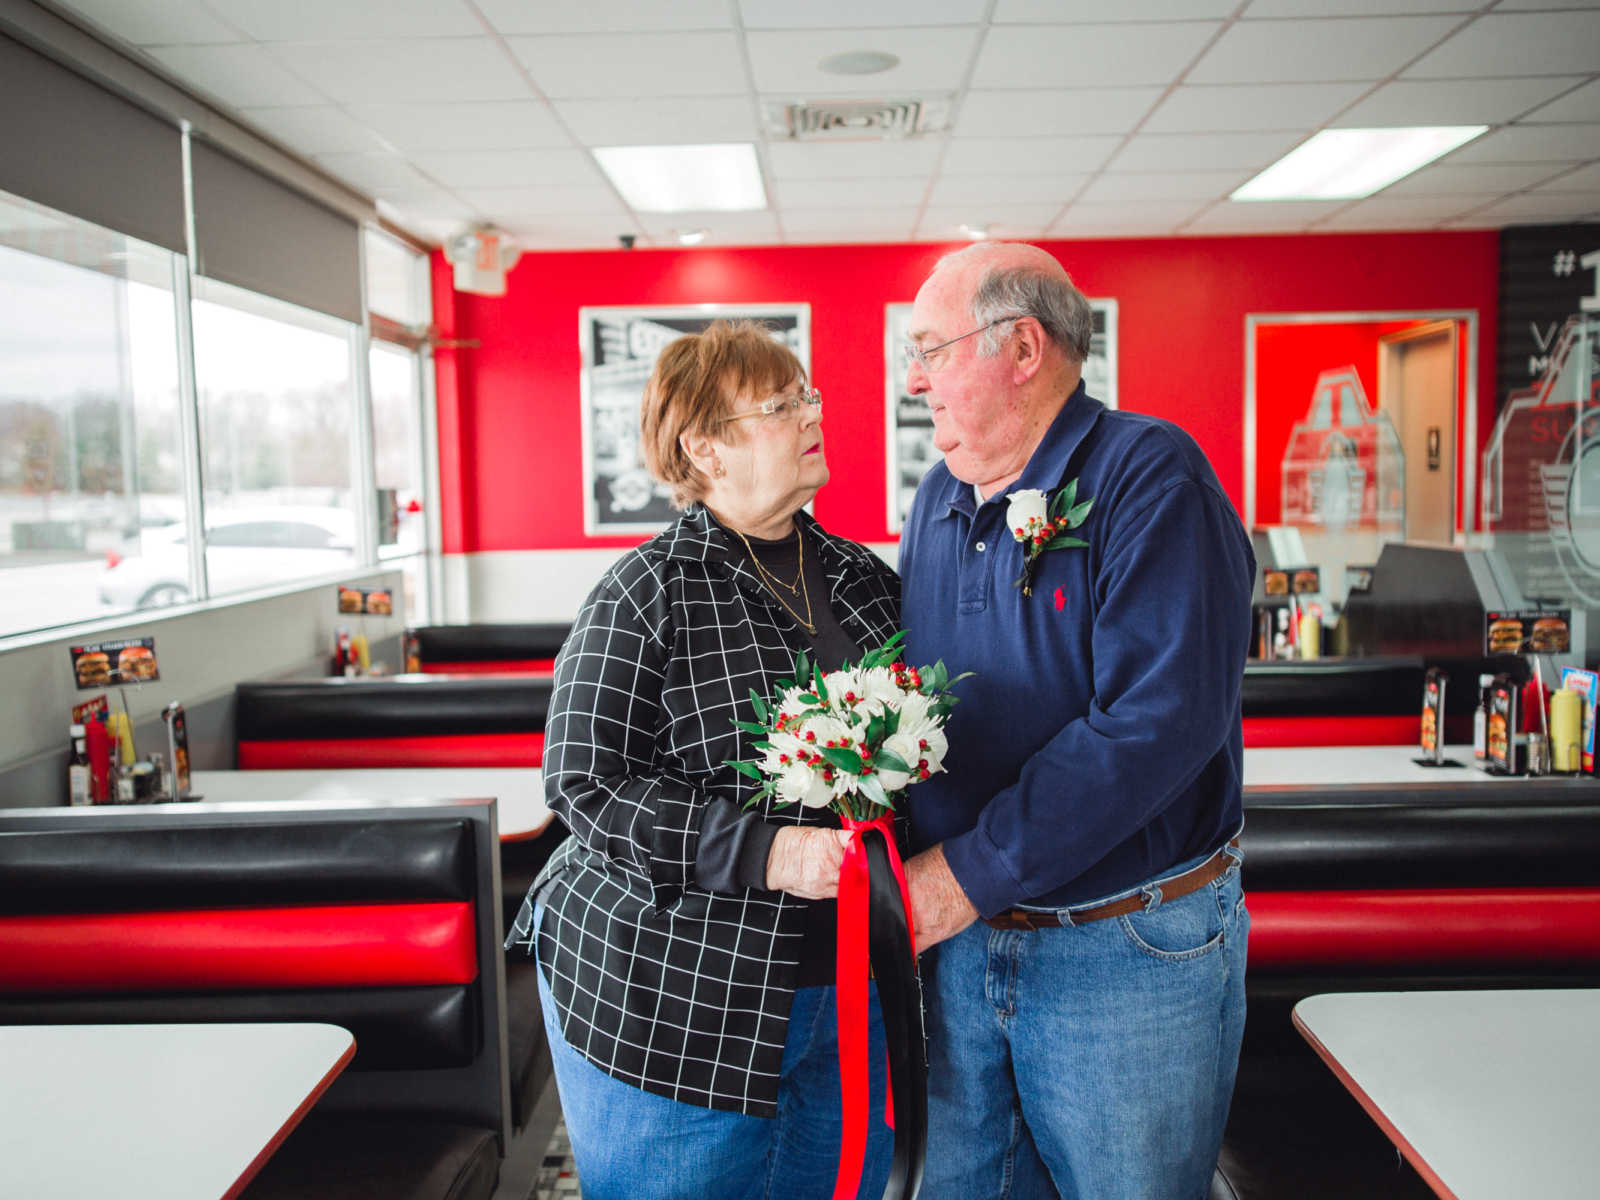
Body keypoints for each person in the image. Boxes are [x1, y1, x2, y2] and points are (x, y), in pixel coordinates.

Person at [507, 321, 901, 1200]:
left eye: (809, 395)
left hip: (846, 987)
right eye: (781, 403)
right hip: (678, 998)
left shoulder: (864, 579)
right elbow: (584, 780)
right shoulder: (644, 592)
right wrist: (769, 852)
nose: (813, 414)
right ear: (705, 448)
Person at [897, 242, 1255, 1200]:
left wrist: (957, 878)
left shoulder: (1150, 476)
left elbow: (1157, 725)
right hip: (965, 951)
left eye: (932, 348)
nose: (912, 378)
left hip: (1123, 952)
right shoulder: (936, 501)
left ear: (1022, 347)